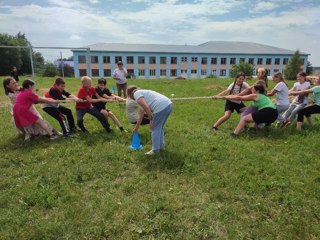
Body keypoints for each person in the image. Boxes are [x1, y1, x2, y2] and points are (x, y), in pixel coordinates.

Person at [127, 86, 172, 155]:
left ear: (130, 95)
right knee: (159, 127)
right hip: (168, 104)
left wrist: (151, 120)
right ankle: (161, 146)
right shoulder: (141, 96)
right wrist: (136, 128)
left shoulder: (136, 94)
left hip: (161, 107)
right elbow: (140, 116)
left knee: (155, 128)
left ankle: (155, 150)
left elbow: (146, 107)